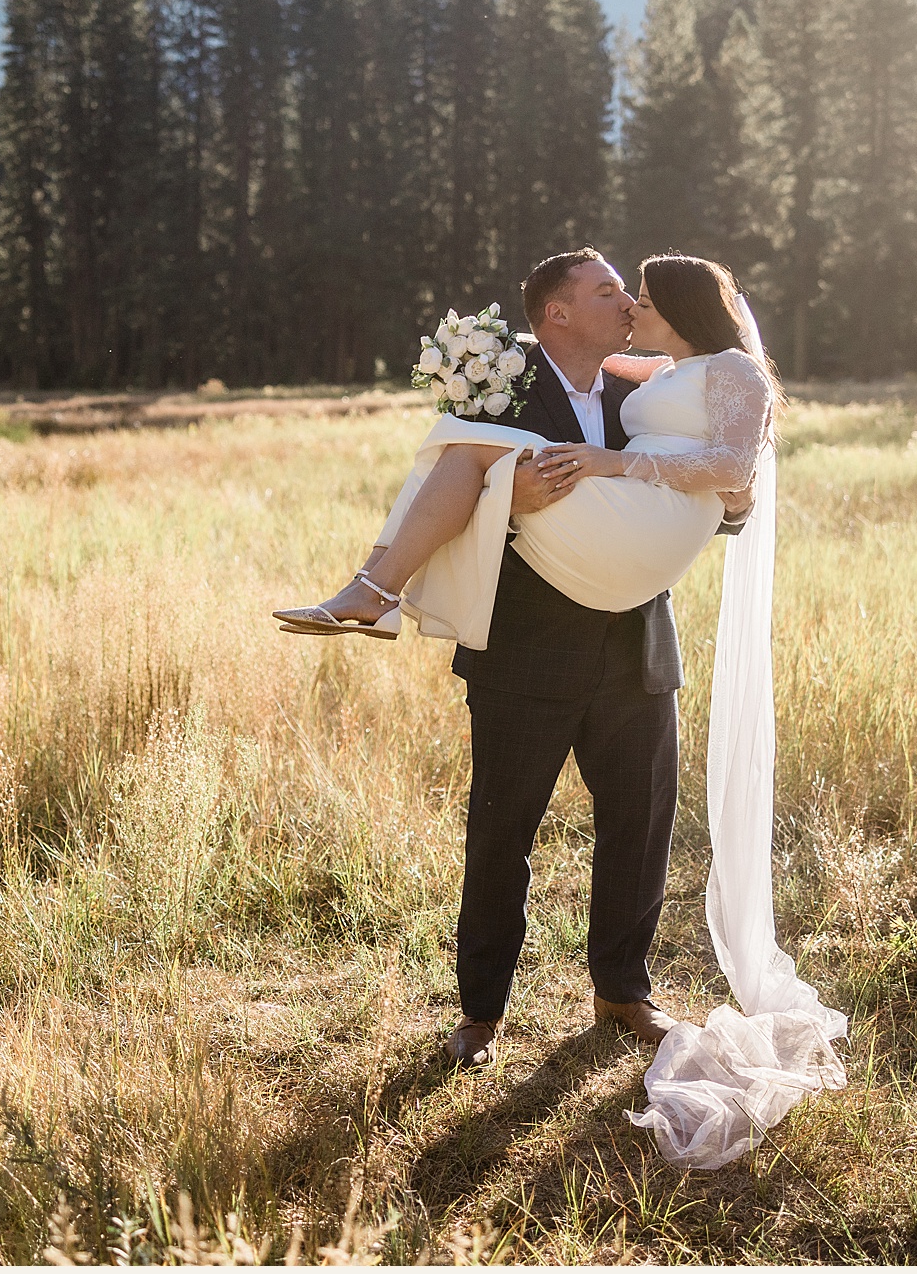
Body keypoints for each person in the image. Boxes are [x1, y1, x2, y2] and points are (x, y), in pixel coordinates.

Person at [275, 250, 772, 1071]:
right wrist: (511, 504)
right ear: (558, 314)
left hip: (634, 644)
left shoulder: (643, 394)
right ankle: (480, 1012)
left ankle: (622, 988)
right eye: (607, 291)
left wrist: (736, 501)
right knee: (501, 833)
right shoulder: (501, 390)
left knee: (639, 828)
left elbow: (713, 495)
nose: (624, 303)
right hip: (524, 650)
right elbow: (458, 496)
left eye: (630, 291)